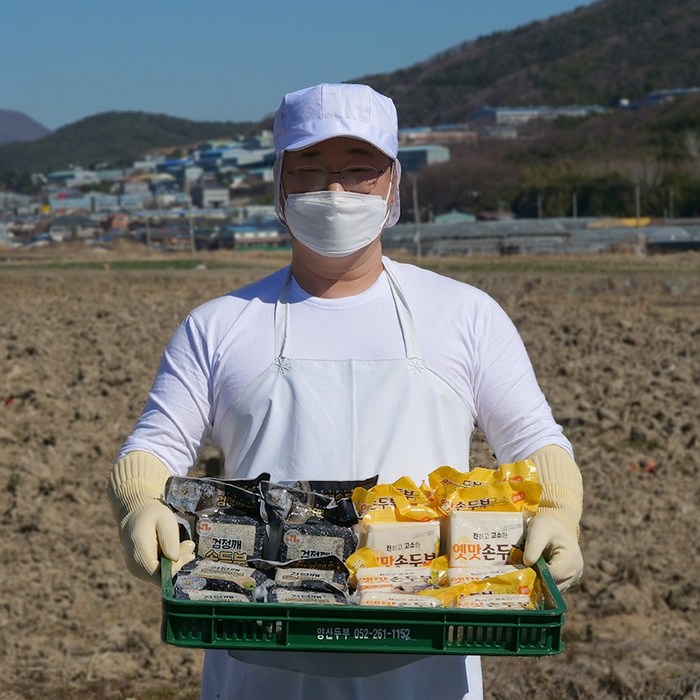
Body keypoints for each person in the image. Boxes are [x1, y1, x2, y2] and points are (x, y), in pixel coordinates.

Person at [107, 83, 584, 700]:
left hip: (428, 660)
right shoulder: (220, 324)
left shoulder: (463, 315)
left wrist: (560, 512)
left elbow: (534, 441)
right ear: (279, 187)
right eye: (309, 170)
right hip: (262, 658)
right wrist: (141, 500)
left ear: (393, 186)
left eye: (359, 171)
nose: (335, 192)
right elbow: (157, 442)